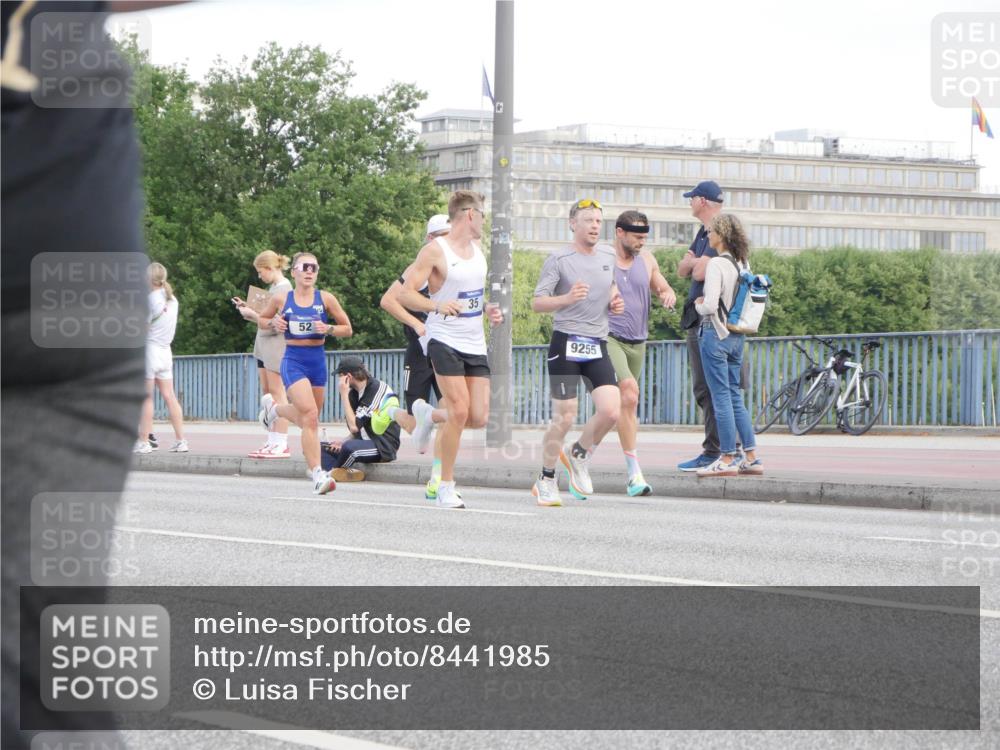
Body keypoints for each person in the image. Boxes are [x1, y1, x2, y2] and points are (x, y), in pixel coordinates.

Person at [396, 191, 503, 509]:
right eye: (482, 214)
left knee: (479, 417)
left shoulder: (478, 252)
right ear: (469, 215)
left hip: (474, 342)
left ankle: (428, 416)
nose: (484, 220)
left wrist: (486, 308)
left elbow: (470, 294)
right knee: (458, 411)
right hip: (443, 340)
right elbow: (404, 295)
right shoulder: (434, 252)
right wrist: (437, 305)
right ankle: (445, 486)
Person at [530, 198, 624, 507]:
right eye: (588, 220)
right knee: (566, 416)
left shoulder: (609, 254)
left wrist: (615, 300)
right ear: (573, 224)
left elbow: (610, 286)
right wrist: (567, 298)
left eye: (598, 221)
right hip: (566, 343)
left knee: (611, 410)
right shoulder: (559, 259)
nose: (595, 226)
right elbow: (538, 302)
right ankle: (545, 478)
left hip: (596, 343)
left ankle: (578, 453)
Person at [257, 251, 352, 494]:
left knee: (310, 418)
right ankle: (318, 474)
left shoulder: (326, 299)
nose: (310, 271)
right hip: (293, 360)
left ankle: (274, 409)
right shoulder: (281, 298)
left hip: (317, 361)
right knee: (309, 415)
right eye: (305, 267)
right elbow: (262, 320)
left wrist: (329, 328)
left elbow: (347, 329)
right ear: (294, 272)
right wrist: (273, 323)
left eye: (314, 267)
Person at [377, 214, 450, 498]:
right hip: (419, 352)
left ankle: (437, 476)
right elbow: (387, 300)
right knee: (416, 417)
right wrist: (416, 323)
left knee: (449, 415)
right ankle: (391, 412)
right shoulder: (416, 270)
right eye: (441, 236)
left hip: (446, 352)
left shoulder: (456, 270)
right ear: (430, 240)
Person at [606, 210, 676, 496]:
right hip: (608, 337)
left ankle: (582, 451)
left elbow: (660, 284)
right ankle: (635, 474)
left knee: (624, 407)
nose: (641, 242)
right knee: (630, 392)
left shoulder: (647, 259)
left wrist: (667, 293)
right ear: (620, 232)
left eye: (644, 237)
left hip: (638, 341)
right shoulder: (603, 259)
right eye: (636, 237)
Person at [693, 214, 763, 477]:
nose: (708, 236)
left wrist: (698, 305)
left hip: (715, 335)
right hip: (737, 336)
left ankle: (726, 458)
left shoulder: (715, 265)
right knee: (734, 396)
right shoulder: (743, 262)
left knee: (720, 397)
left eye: (710, 232)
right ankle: (752, 457)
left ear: (720, 235)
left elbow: (710, 305)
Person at [676, 180, 727, 472]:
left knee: (709, 388)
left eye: (692, 198)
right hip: (700, 317)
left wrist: (695, 263)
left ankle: (715, 452)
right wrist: (693, 264)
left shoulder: (718, 230)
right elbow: (684, 269)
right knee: (710, 388)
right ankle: (725, 451)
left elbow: (699, 269)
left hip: (709, 319)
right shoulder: (703, 232)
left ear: (703, 201)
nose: (689, 202)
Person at [233, 250, 292, 458]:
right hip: (263, 345)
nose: (260, 276)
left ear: (269, 268)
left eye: (260, 272)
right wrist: (250, 311)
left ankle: (281, 441)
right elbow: (265, 318)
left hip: (276, 346)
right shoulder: (273, 288)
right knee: (268, 394)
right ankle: (272, 440)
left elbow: (279, 323)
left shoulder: (284, 290)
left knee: (278, 393)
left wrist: (252, 314)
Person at [135, 262, 187, 453]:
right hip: (166, 351)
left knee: (146, 397)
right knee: (170, 396)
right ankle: (181, 440)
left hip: (150, 350)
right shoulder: (172, 300)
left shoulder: (150, 300)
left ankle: (143, 441)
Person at [321, 356, 401, 481]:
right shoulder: (353, 393)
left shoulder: (377, 389)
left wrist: (343, 395)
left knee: (349, 448)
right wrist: (342, 441)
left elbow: (354, 427)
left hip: (382, 446)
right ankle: (342, 472)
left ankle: (328, 475)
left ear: (348, 376)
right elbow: (358, 429)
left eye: (340, 376)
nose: (339, 380)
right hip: (363, 442)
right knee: (320, 447)